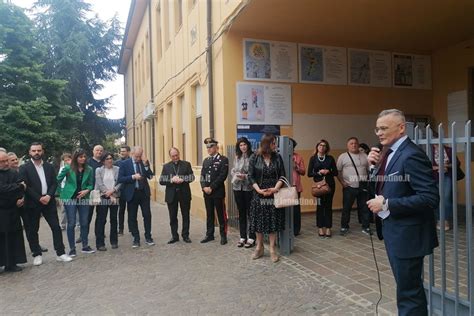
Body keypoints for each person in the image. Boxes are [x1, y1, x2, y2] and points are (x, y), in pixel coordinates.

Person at [367, 109, 439, 315]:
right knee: (407, 290)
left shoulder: (411, 155)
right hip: (395, 232)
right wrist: (373, 167)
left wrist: (388, 204)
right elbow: (383, 187)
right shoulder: (389, 154)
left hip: (408, 236)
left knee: (409, 294)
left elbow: (430, 198)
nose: (379, 133)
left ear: (401, 128)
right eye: (377, 128)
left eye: (384, 128)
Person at [19, 143, 72, 265]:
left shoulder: (49, 166)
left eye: (39, 150)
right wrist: (39, 198)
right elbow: (25, 186)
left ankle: (60, 253)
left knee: (56, 227)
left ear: (42, 151)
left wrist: (49, 195)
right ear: (30, 152)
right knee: (33, 229)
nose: (36, 152)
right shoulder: (24, 168)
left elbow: (54, 183)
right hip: (33, 203)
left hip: (49, 202)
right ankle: (37, 254)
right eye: (34, 151)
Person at [57, 148, 95, 256]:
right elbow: (57, 180)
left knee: (84, 222)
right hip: (70, 198)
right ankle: (72, 248)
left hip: (83, 198)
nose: (83, 159)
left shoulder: (89, 169)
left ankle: (85, 246)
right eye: (80, 157)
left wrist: (87, 190)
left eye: (84, 157)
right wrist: (61, 193)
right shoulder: (68, 168)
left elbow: (91, 184)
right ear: (76, 158)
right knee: (71, 223)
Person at [9, 152, 48, 253]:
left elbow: (28, 186)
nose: (15, 161)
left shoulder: (22, 169)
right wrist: (16, 200)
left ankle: (35, 246)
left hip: (26, 203)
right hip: (13, 205)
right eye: (12, 160)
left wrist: (23, 198)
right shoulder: (7, 174)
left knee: (30, 226)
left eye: (16, 159)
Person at [117, 146, 155, 248]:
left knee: (147, 215)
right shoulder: (125, 164)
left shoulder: (144, 162)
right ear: (132, 154)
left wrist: (146, 165)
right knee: (132, 217)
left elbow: (150, 176)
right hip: (132, 194)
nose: (138, 158)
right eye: (137, 156)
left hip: (144, 193)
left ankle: (148, 236)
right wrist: (133, 177)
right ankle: (136, 238)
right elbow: (120, 179)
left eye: (140, 156)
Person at [336, 137, 372, 236]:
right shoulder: (343, 156)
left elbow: (369, 170)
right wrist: (342, 182)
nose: (354, 145)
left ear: (358, 144)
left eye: (355, 143)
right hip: (349, 187)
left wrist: (368, 182)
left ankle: (366, 227)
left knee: (364, 208)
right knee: (346, 208)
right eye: (351, 143)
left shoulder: (364, 155)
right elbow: (338, 171)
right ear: (347, 145)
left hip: (363, 186)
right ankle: (344, 227)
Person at [159, 147, 194, 244]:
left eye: (176, 155)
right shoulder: (166, 166)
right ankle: (174, 236)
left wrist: (183, 179)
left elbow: (192, 177)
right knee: (173, 216)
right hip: (171, 195)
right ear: (170, 156)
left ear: (179, 154)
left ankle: (185, 235)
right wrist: (171, 180)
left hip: (184, 193)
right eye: (173, 156)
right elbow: (161, 181)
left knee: (185, 215)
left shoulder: (186, 164)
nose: (175, 157)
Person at [0, 151, 27, 272]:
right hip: (1, 210)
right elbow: (3, 189)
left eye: (6, 160)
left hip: (13, 210)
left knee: (13, 237)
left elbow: (20, 186)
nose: (6, 163)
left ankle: (11, 263)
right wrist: (18, 187)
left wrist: (19, 197)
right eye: (2, 161)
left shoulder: (13, 173)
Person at [200, 137, 229, 245]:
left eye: (210, 147)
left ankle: (223, 235)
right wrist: (204, 187)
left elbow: (222, 176)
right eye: (207, 147)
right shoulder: (206, 160)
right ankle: (209, 234)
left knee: (221, 214)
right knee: (209, 214)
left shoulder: (223, 160)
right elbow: (202, 176)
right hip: (206, 193)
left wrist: (211, 187)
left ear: (216, 147)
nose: (208, 149)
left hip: (217, 192)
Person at [307, 139, 338, 238]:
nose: (322, 147)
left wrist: (328, 171)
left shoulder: (330, 158)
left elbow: (336, 172)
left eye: (324, 145)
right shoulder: (313, 158)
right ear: (317, 147)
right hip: (318, 186)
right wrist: (319, 173)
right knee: (320, 207)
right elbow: (309, 174)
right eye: (320, 145)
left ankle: (328, 228)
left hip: (330, 185)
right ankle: (320, 228)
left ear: (326, 148)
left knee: (328, 206)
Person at [230, 137, 255, 248]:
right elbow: (233, 170)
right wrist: (235, 173)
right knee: (241, 212)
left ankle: (252, 237)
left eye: (244, 144)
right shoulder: (237, 156)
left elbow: (253, 173)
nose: (243, 147)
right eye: (240, 145)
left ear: (248, 145)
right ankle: (243, 236)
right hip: (237, 187)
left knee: (250, 213)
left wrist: (244, 176)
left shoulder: (253, 156)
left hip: (248, 188)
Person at [94, 152, 121, 250]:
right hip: (103, 197)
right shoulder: (98, 170)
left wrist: (113, 191)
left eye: (111, 158)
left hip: (115, 196)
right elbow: (100, 184)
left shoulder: (117, 169)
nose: (110, 160)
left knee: (114, 219)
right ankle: (100, 243)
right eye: (107, 159)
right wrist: (109, 195)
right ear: (103, 161)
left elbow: (120, 182)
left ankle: (114, 241)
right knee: (101, 220)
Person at [290, 138, 305, 236]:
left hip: (295, 187)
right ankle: (285, 229)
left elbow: (303, 172)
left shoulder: (298, 157)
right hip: (282, 187)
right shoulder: (279, 156)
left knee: (295, 209)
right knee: (284, 208)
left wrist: (296, 167)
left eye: (291, 145)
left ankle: (296, 230)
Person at [115, 145, 131, 235]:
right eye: (121, 151)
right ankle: (120, 229)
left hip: (130, 189)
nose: (122, 153)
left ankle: (131, 227)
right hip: (120, 190)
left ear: (128, 152)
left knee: (131, 210)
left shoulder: (132, 161)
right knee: (121, 210)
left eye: (124, 151)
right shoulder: (117, 163)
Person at [58, 153, 73, 230]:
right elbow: (60, 180)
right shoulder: (62, 168)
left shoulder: (74, 168)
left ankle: (76, 224)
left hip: (72, 191)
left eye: (68, 159)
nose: (67, 161)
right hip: (64, 191)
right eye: (65, 160)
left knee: (74, 208)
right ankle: (63, 225)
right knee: (63, 209)